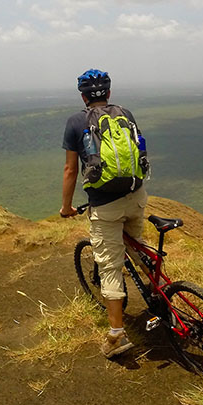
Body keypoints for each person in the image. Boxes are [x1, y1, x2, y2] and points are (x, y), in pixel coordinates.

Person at [60, 69, 148, 358]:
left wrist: (66, 207)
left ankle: (116, 336)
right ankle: (164, 299)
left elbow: (71, 170)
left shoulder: (76, 122)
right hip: (136, 195)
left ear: (83, 96)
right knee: (139, 251)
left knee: (109, 266)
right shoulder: (126, 113)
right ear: (108, 93)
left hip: (105, 205)